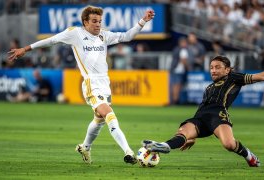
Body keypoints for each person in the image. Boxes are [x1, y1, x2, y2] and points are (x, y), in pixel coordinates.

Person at [8, 5, 155, 165]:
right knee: (109, 114)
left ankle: (85, 147)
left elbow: (127, 36)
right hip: (91, 83)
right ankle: (128, 151)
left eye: (99, 21)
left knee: (99, 120)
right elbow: (51, 40)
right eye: (94, 21)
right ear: (85, 22)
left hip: (105, 83)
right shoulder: (75, 33)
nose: (98, 24)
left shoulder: (104, 35)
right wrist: (26, 48)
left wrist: (142, 21)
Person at [143, 55, 264, 167]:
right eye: (211, 67)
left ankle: (249, 156)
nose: (213, 70)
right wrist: (193, 136)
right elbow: (202, 109)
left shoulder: (233, 78)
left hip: (218, 116)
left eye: (217, 67)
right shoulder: (209, 88)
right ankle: (164, 146)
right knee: (182, 133)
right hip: (199, 117)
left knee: (229, 144)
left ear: (227, 69)